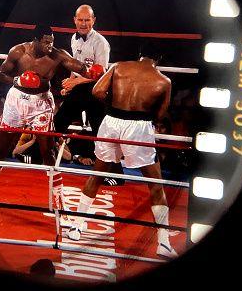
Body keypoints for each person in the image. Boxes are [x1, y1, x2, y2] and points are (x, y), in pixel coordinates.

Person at [0, 26, 102, 224]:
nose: (50, 46)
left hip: (41, 103)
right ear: (36, 40)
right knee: (2, 148)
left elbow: (78, 66)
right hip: (16, 100)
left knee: (48, 151)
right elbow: (0, 72)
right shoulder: (18, 52)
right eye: (46, 42)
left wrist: (90, 72)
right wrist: (16, 79)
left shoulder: (57, 55)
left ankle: (60, 206)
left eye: (52, 41)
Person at [67, 55, 178, 259]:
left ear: (139, 55)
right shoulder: (163, 80)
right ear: (159, 59)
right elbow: (161, 115)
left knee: (98, 174)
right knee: (155, 184)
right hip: (139, 126)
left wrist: (115, 103)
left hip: (111, 122)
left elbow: (97, 90)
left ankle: (76, 226)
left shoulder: (119, 66)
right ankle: (163, 242)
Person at [54, 5, 125, 184]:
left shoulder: (100, 42)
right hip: (78, 90)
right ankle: (46, 162)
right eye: (80, 19)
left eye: (87, 20)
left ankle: (117, 174)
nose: (83, 23)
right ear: (74, 20)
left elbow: (101, 74)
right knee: (59, 121)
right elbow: (75, 66)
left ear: (93, 20)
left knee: (101, 132)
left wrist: (75, 82)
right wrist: (69, 84)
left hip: (96, 90)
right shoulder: (74, 38)